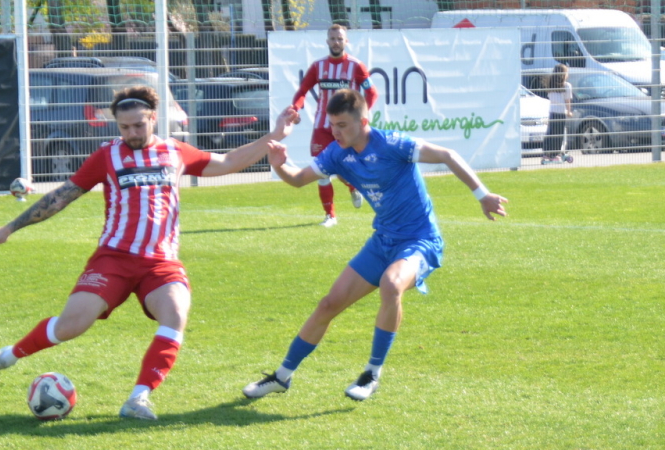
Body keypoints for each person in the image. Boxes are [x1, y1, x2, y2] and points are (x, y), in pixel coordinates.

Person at [0, 86, 298, 420]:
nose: (132, 133)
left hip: (161, 263)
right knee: (71, 325)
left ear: (153, 118)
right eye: (124, 127)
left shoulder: (175, 151)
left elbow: (228, 161)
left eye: (139, 125)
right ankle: (7, 356)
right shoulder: (107, 156)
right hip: (114, 259)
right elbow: (60, 196)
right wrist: (10, 228)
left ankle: (138, 399)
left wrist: (276, 134)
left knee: (175, 315)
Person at [242, 89, 508, 401]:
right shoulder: (336, 153)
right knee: (329, 304)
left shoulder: (392, 144)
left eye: (342, 125)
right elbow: (298, 179)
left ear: (364, 121)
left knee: (391, 285)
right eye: (332, 125)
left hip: (420, 241)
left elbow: (448, 155)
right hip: (383, 241)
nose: (335, 132)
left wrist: (483, 195)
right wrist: (278, 165)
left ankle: (372, 374)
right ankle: (281, 377)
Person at [292, 24, 379, 227]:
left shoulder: (356, 66)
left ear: (346, 41)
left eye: (340, 39)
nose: (336, 42)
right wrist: (295, 108)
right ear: (327, 41)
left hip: (347, 128)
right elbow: (303, 90)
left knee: (344, 168)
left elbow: (372, 93)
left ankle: (353, 186)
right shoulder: (318, 66)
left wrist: (362, 115)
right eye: (333, 38)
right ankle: (330, 216)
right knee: (321, 171)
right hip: (322, 127)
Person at [542, 64, 573, 164]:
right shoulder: (567, 86)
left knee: (551, 132)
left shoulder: (550, 84)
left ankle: (547, 153)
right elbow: (567, 100)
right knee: (558, 134)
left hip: (552, 111)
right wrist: (569, 111)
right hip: (560, 112)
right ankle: (554, 154)